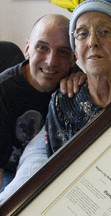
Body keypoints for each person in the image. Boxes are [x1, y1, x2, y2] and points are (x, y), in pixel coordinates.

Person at [0, 0, 111, 204]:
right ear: (77, 51)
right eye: (82, 34)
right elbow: (56, 175)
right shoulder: (63, 102)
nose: (93, 42)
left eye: (105, 31)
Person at [0, 14, 86, 192]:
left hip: (50, 170)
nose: (51, 61)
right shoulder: (3, 91)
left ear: (73, 59)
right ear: (27, 48)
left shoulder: (77, 83)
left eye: (62, 52)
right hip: (10, 173)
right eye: (42, 47)